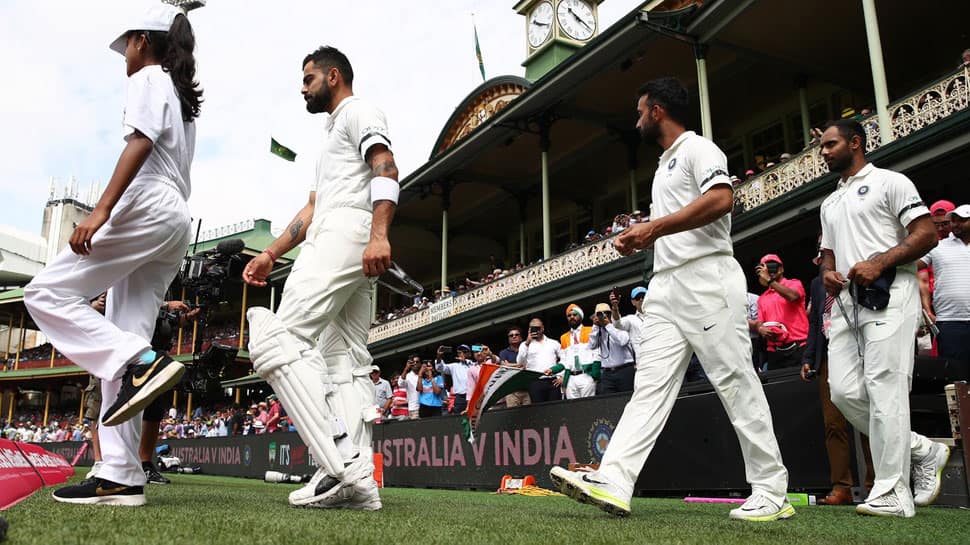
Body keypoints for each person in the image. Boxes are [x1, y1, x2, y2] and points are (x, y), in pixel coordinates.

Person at [550, 77, 791, 521]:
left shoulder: (699, 149)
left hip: (707, 279)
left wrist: (654, 229)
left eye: (640, 110)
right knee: (650, 387)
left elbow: (722, 199)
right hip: (666, 286)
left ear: (658, 110)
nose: (637, 118)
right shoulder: (664, 166)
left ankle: (771, 490)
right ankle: (615, 480)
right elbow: (679, 221)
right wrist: (645, 236)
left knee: (735, 382)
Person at [23, 4, 202, 506]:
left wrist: (100, 209)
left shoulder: (149, 76)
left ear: (144, 41)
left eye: (126, 43)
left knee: (46, 293)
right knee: (119, 340)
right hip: (173, 218)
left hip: (145, 205)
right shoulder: (183, 97)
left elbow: (140, 141)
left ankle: (142, 360)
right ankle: (121, 474)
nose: (124, 52)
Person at [242, 45, 398, 511]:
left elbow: (386, 169)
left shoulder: (358, 111)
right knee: (344, 363)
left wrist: (379, 235)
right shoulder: (331, 137)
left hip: (345, 233)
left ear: (334, 76)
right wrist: (271, 252)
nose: (302, 87)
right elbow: (313, 208)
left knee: (278, 340)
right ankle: (359, 483)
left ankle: (340, 464)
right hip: (342, 231)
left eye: (309, 78)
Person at [817, 118, 949, 517]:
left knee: (884, 387)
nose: (824, 152)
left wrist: (880, 261)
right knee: (843, 392)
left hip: (891, 293)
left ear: (855, 143)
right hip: (847, 304)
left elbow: (927, 234)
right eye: (822, 146)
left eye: (830, 144)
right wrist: (827, 273)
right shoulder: (829, 202)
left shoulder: (892, 182)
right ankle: (923, 449)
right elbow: (828, 255)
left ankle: (894, 493)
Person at [801, 240, 874, 506]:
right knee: (834, 424)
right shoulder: (817, 284)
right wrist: (809, 357)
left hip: (861, 348)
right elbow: (815, 322)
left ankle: (875, 484)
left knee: (867, 419)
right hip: (828, 354)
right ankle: (842, 487)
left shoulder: (859, 270)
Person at [918, 204, 970, 362]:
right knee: (955, 374)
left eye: (962, 220)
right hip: (949, 320)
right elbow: (912, 266)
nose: (955, 224)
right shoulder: (937, 246)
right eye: (953, 220)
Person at [754, 254, 809, 370]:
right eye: (766, 267)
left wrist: (770, 281)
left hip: (799, 347)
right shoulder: (762, 298)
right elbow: (760, 321)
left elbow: (792, 296)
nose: (770, 269)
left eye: (773, 265)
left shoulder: (794, 284)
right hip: (775, 351)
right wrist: (760, 328)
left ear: (782, 269)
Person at [589, 302, 634, 395]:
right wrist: (595, 326)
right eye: (600, 314)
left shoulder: (620, 324)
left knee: (627, 399)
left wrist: (608, 325)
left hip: (624, 370)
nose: (604, 316)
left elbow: (622, 341)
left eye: (607, 313)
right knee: (609, 403)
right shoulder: (598, 330)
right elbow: (592, 345)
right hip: (607, 373)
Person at [554, 304, 598, 400]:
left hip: (586, 375)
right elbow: (564, 360)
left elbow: (597, 353)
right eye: (569, 316)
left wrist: (595, 375)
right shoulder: (564, 337)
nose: (572, 317)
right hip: (571, 378)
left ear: (580, 316)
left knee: (588, 407)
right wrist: (553, 369)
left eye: (574, 314)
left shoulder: (590, 330)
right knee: (573, 409)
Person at [517, 318, 564, 403]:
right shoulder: (525, 345)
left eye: (537, 328)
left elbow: (564, 359)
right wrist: (527, 343)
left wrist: (561, 376)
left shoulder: (553, 343)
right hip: (535, 382)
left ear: (542, 328)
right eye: (533, 328)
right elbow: (520, 363)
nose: (536, 331)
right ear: (529, 330)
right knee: (538, 411)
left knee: (556, 409)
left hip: (552, 380)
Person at [435, 345, 473, 414]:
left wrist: (466, 361)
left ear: (469, 354)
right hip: (460, 398)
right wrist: (439, 356)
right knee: (458, 419)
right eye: (459, 352)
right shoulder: (454, 366)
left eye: (464, 352)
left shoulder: (474, 365)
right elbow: (440, 368)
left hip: (473, 396)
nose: (461, 354)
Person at [499, 327, 530, 407]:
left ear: (521, 337)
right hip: (511, 392)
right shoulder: (504, 353)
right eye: (511, 335)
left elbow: (529, 364)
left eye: (516, 334)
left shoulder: (528, 349)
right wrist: (521, 365)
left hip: (528, 390)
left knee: (530, 416)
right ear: (508, 339)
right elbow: (504, 366)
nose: (514, 336)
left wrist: (510, 365)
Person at [398, 355, 422, 419]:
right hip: (414, 408)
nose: (415, 363)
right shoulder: (408, 376)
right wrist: (406, 368)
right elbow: (400, 383)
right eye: (413, 362)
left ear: (420, 363)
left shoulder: (424, 374)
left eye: (417, 362)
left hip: (427, 407)